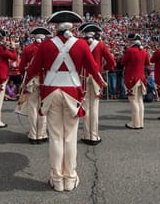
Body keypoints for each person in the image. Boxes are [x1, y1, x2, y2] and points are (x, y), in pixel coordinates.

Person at [25, 10, 107, 192]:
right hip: (72, 92)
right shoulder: (81, 44)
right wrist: (101, 82)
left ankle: (56, 178)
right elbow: (93, 68)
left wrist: (25, 85)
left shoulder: (46, 45)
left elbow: (33, 68)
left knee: (55, 137)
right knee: (70, 137)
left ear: (56, 27)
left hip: (51, 92)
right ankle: (70, 177)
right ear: (73, 27)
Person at [78, 23, 115, 145]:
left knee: (85, 106)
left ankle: (86, 134)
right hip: (96, 78)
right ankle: (94, 136)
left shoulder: (79, 44)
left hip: (82, 78)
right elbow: (111, 61)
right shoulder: (101, 45)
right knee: (94, 108)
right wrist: (104, 69)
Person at [19, 27, 51, 144]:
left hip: (32, 80)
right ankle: (42, 134)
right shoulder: (49, 48)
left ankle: (33, 134)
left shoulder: (28, 48)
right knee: (44, 107)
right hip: (45, 80)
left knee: (32, 107)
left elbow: (22, 67)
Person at [0, 30, 17, 129]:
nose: (5, 39)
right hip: (0, 75)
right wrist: (13, 48)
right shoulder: (0, 48)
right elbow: (14, 57)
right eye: (4, 37)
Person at [121, 34, 150, 129]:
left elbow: (122, 62)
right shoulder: (144, 51)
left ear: (131, 41)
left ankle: (135, 123)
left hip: (132, 78)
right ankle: (140, 122)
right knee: (140, 100)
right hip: (141, 77)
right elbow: (147, 63)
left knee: (133, 101)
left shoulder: (130, 51)